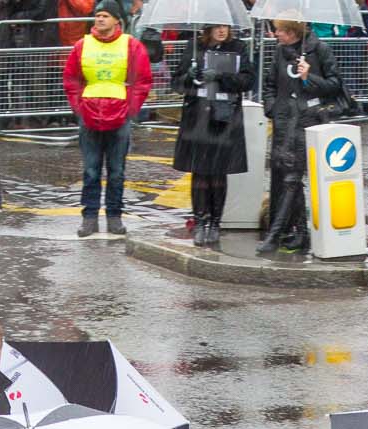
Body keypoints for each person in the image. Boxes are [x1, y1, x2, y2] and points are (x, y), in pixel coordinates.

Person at [61, 0, 151, 238]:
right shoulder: (82, 45)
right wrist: (79, 108)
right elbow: (71, 79)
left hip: (119, 117)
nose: (99, 19)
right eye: (97, 15)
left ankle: (114, 217)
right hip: (89, 116)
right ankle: (89, 218)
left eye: (104, 16)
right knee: (91, 171)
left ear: (116, 20)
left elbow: (142, 80)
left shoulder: (131, 46)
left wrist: (130, 109)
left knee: (116, 171)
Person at [258, 14, 340, 255]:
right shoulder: (279, 52)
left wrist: (309, 77)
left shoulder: (320, 50)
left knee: (292, 180)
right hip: (283, 123)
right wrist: (271, 107)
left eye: (279, 30)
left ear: (292, 31)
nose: (275, 34)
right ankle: (301, 233)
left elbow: (335, 85)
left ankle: (275, 234)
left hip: (307, 121)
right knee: (285, 178)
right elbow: (271, 84)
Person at [170, 19, 252, 248]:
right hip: (198, 118)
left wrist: (220, 76)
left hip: (224, 118)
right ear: (207, 29)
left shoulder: (238, 48)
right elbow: (176, 84)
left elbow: (248, 80)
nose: (222, 30)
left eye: (225, 26)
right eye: (217, 26)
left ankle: (215, 222)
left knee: (218, 173)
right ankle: (200, 221)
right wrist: (191, 76)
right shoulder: (193, 46)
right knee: (199, 173)